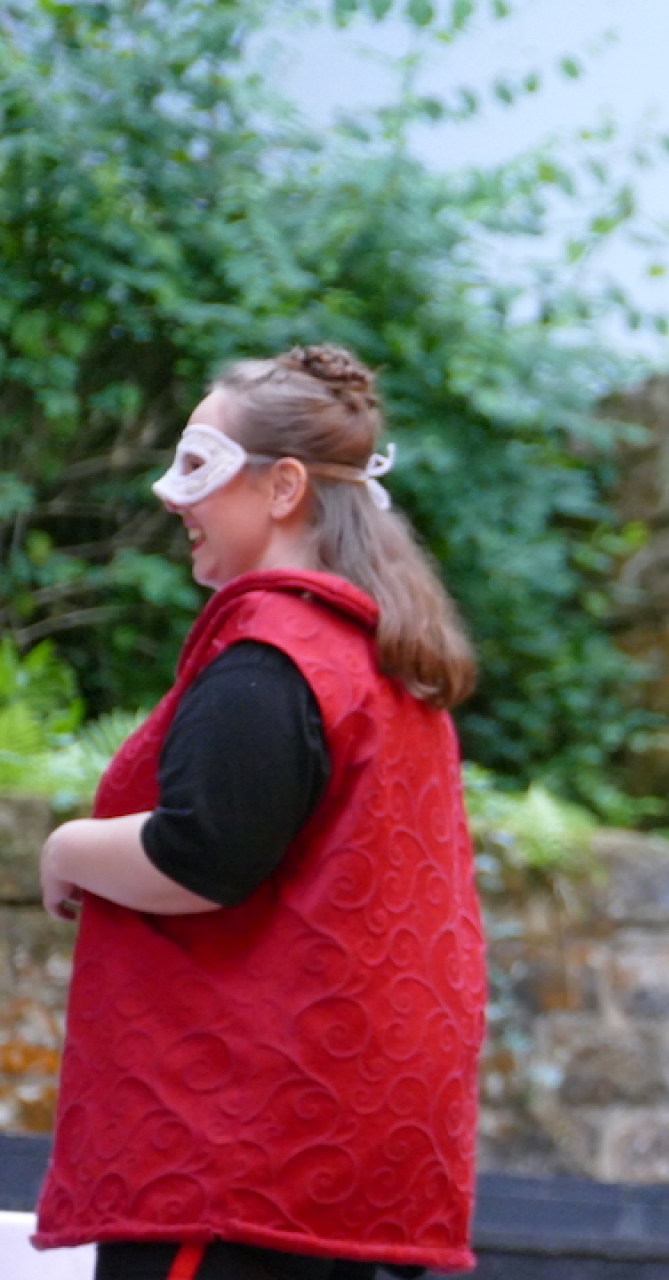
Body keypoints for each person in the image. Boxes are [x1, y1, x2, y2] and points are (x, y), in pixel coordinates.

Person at [33, 346, 487, 1280]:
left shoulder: (273, 658)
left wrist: (69, 847)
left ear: (283, 487)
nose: (171, 497)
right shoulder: (383, 664)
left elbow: (201, 856)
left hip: (232, 1175)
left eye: (198, 465)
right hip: (330, 1166)